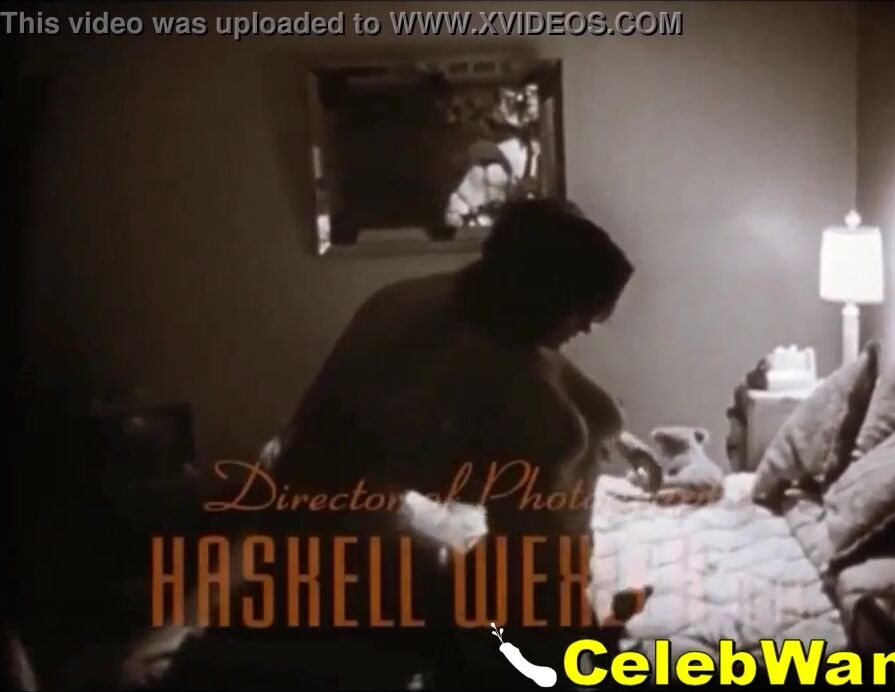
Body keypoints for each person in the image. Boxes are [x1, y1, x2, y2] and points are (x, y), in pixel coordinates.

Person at [160, 198, 634, 690]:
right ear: (544, 299)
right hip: (332, 534)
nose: (585, 328)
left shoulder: (454, 305)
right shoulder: (474, 368)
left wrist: (614, 436)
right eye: (582, 314)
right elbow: (468, 493)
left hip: (336, 499)